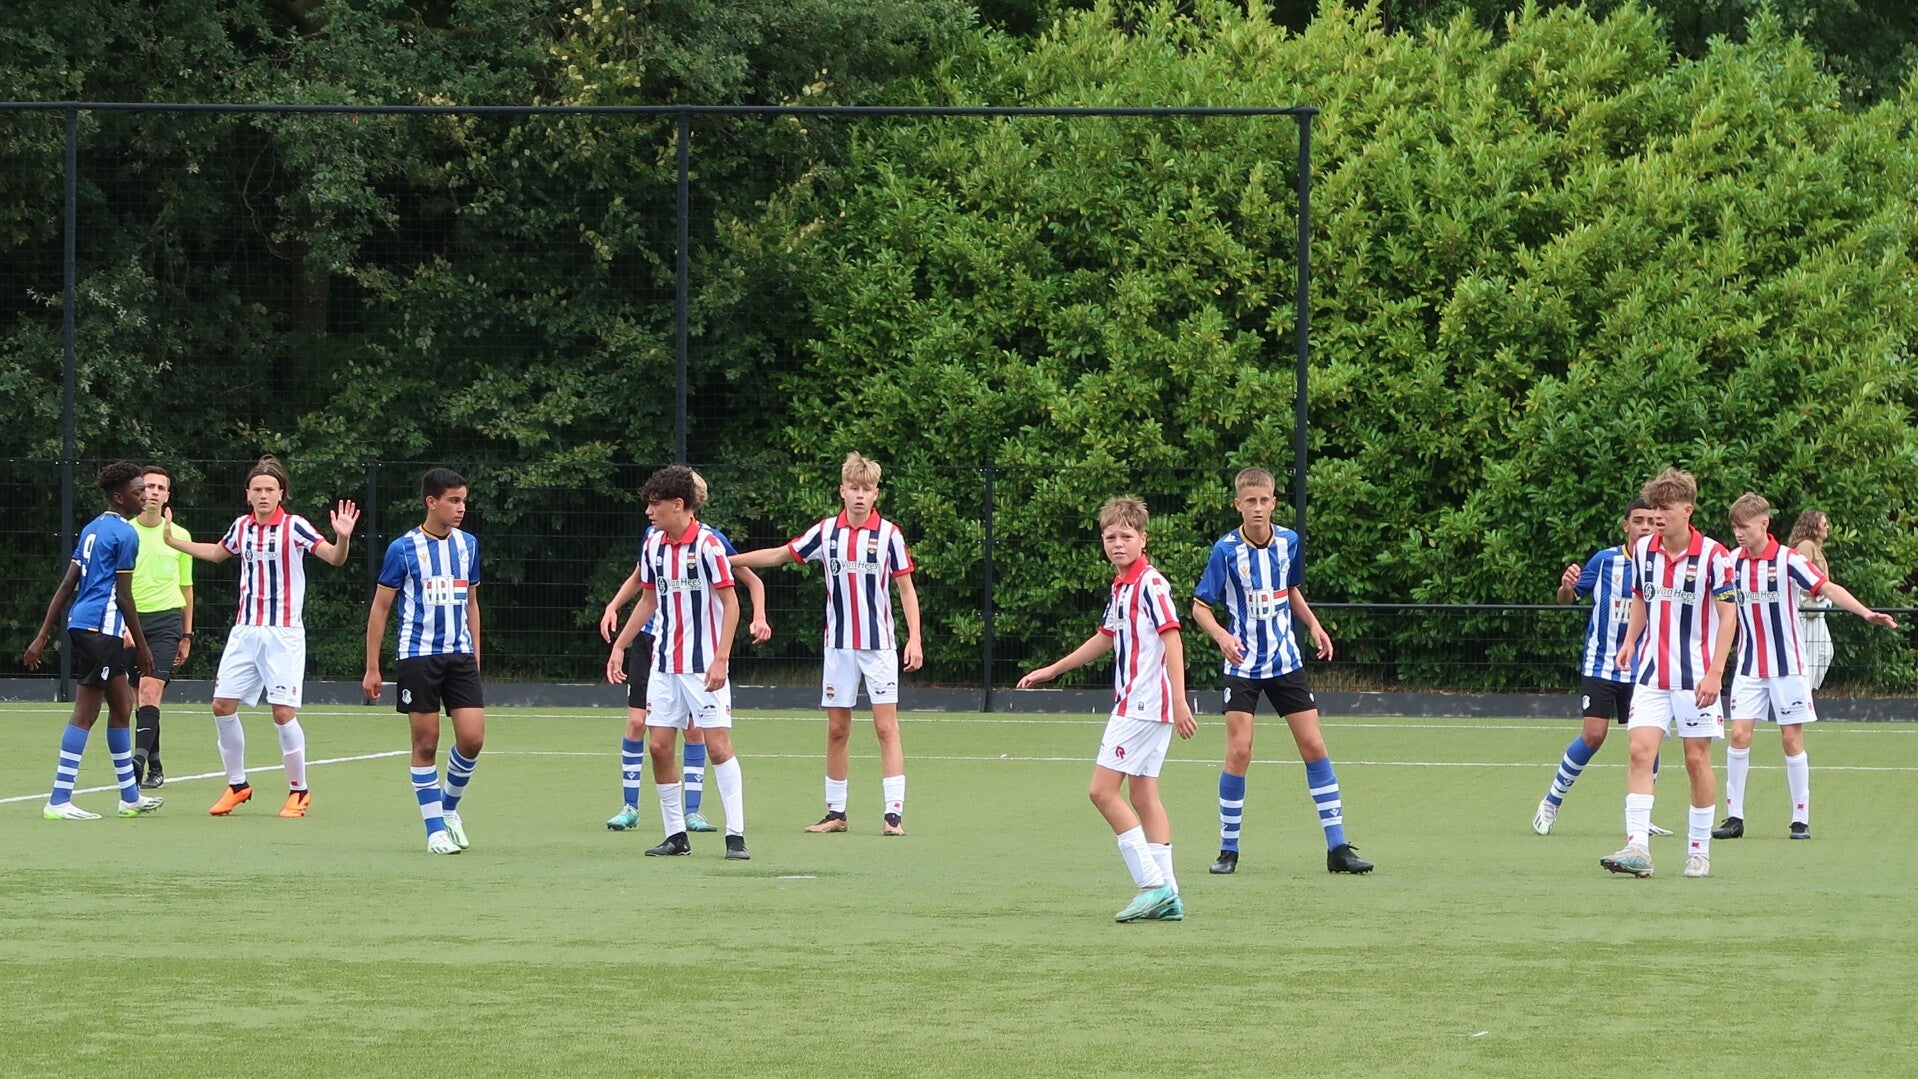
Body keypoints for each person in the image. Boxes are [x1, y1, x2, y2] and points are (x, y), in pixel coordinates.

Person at [1018, 496, 1194, 922]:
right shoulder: (1121, 587)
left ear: (1143, 539)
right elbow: (1106, 637)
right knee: (1144, 795)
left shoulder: (1151, 584)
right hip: (1145, 705)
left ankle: (1152, 886)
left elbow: (1172, 639)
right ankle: (1169, 894)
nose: (1118, 543)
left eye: (1126, 536)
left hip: (1142, 704)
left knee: (1100, 791)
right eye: (1111, 536)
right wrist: (1053, 669)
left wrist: (1181, 699)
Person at [1190, 467, 1373, 875]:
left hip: (1285, 661)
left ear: (1274, 502)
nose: (1257, 508)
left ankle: (1338, 848)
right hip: (1243, 664)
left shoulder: (1289, 541)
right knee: (1240, 751)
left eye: (1264, 500)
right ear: (1238, 504)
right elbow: (1200, 607)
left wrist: (1315, 625)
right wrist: (1222, 636)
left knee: (1314, 746)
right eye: (1249, 501)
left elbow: (1290, 590)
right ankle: (1228, 851)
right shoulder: (1225, 551)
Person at [731, 452, 924, 835]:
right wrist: (729, 560)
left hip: (880, 647)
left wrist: (914, 638)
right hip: (838, 648)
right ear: (842, 490)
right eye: (854, 488)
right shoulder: (826, 532)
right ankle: (836, 813)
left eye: (866, 489)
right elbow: (781, 554)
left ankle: (893, 816)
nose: (860, 495)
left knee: (886, 728)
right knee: (837, 729)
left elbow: (906, 588)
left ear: (876, 493)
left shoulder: (889, 535)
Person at [165, 456, 357, 819]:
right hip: (245, 631)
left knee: (282, 713)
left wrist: (342, 538)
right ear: (248, 494)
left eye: (270, 489)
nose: (264, 495)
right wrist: (173, 541)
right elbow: (217, 553)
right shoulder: (241, 527)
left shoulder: (295, 526)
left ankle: (299, 791)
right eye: (257, 489)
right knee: (221, 705)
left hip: (283, 634)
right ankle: (237, 785)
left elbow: (334, 558)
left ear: (281, 493)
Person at [1715, 494, 1897, 841]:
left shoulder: (1788, 559)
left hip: (1789, 666)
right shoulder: (1731, 562)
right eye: (1735, 527)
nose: (1738, 533)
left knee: (1790, 738)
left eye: (1744, 527)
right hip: (1750, 666)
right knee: (1738, 735)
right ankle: (1734, 817)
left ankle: (1800, 818)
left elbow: (1826, 586)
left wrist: (1865, 612)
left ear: (1764, 524)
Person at [599, 471, 770, 834]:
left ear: (679, 505)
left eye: (654, 504)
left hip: (702, 663)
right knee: (656, 743)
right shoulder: (652, 543)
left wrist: (725, 654)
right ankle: (669, 831)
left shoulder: (710, 544)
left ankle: (731, 832)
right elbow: (647, 597)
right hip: (662, 659)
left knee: (712, 743)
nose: (648, 511)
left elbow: (735, 598)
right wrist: (620, 643)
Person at [1602, 468, 1735, 880]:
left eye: (1665, 508)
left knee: (1696, 761)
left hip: (1696, 679)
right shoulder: (1643, 551)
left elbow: (1728, 617)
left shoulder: (1714, 556)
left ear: (1687, 510)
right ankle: (1637, 847)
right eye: (1654, 507)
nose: (1657, 516)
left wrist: (1715, 672)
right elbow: (1641, 598)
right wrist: (1629, 641)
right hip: (1651, 674)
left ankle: (1698, 851)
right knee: (1639, 752)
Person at [22, 461, 164, 820]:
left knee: (122, 707)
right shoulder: (126, 534)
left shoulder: (92, 528)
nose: (145, 496)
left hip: (87, 626)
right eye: (138, 491)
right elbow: (125, 597)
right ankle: (59, 800)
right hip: (101, 630)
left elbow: (68, 584)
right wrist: (143, 646)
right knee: (86, 712)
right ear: (119, 497)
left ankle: (130, 797)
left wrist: (42, 635)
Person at [1533, 498, 1674, 837]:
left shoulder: (1663, 562)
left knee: (1647, 741)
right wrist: (1566, 587)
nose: (1645, 526)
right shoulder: (1605, 561)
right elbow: (1567, 599)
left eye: (1651, 521)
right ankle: (1551, 802)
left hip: (1644, 669)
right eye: (1638, 520)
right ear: (1626, 525)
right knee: (1594, 735)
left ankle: (1642, 816)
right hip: (1601, 664)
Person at [363, 468, 485, 855]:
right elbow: (380, 609)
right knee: (426, 745)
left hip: (460, 655)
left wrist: (475, 653)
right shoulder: (403, 549)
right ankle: (434, 832)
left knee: (473, 739)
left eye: (463, 500)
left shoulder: (468, 545)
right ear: (431, 502)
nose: (461, 508)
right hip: (418, 656)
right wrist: (372, 667)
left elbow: (472, 603)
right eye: (453, 500)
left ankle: (447, 810)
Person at [127, 464, 195, 789]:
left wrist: (187, 634)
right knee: (139, 699)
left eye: (160, 488)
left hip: (167, 621)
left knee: (150, 691)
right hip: (131, 623)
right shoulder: (125, 532)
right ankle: (155, 766)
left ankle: (135, 765)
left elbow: (187, 588)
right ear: (138, 491)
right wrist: (121, 625)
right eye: (148, 486)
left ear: (167, 496)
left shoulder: (180, 536)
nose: (153, 492)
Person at [1787, 510, 1834, 689]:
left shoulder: (1814, 546)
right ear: (1813, 528)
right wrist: (1818, 594)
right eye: (1824, 524)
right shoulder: (1806, 546)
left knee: (1825, 653)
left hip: (1817, 608)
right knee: (1811, 656)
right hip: (1809, 609)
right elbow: (1800, 577)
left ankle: (1806, 691)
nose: (1827, 527)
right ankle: (1803, 693)